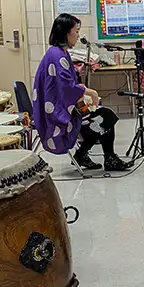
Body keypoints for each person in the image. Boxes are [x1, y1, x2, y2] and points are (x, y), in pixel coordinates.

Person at [33, 13, 130, 172]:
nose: (77, 36)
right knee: (105, 117)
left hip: (58, 106)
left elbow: (65, 85)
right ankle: (103, 157)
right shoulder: (57, 55)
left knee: (102, 114)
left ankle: (86, 154)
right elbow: (66, 87)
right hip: (55, 114)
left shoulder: (58, 52)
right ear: (65, 32)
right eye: (76, 31)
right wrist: (88, 91)